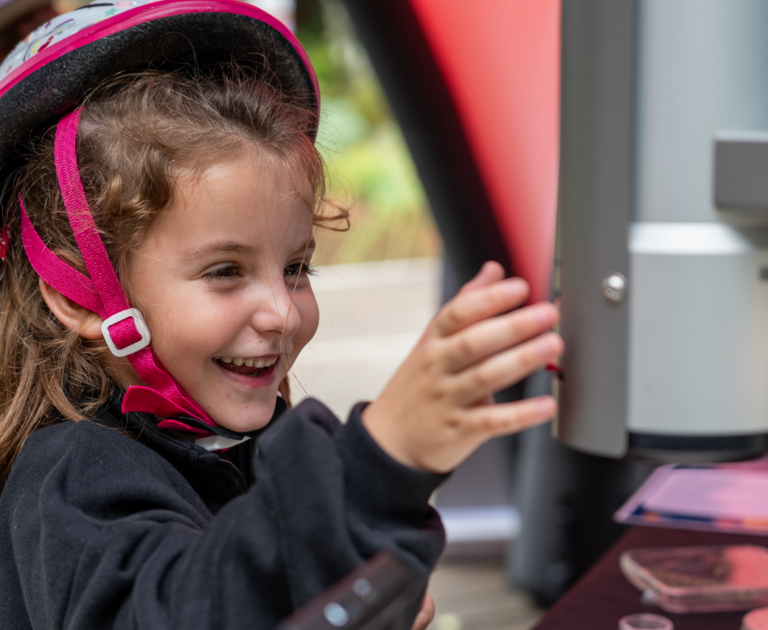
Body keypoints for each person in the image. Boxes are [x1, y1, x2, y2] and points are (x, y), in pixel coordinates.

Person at [0, 1, 564, 629]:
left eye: (296, 268)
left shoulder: (241, 445)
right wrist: (379, 464)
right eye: (225, 272)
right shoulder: (74, 476)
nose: (280, 314)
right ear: (80, 295)